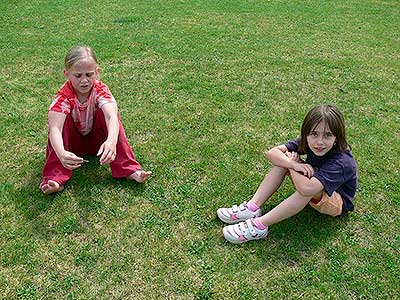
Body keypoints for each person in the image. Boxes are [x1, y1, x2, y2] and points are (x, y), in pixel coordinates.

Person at [217, 104, 357, 244]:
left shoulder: (342, 162)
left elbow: (306, 189)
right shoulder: (307, 142)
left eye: (327, 135)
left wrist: (293, 165)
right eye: (314, 134)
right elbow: (272, 153)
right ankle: (252, 208)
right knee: (283, 162)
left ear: (337, 138)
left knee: (304, 190)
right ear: (306, 133)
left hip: (336, 201)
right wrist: (292, 164)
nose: (319, 142)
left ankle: (259, 225)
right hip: (314, 183)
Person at [40, 45, 151, 194]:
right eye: (78, 75)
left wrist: (111, 141)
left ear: (97, 72)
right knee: (61, 121)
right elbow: (54, 129)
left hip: (100, 145)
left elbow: (111, 117)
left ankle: (129, 169)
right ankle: (54, 178)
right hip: (71, 148)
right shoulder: (64, 96)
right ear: (67, 74)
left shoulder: (100, 90)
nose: (84, 80)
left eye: (89, 74)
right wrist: (61, 153)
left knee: (110, 115)